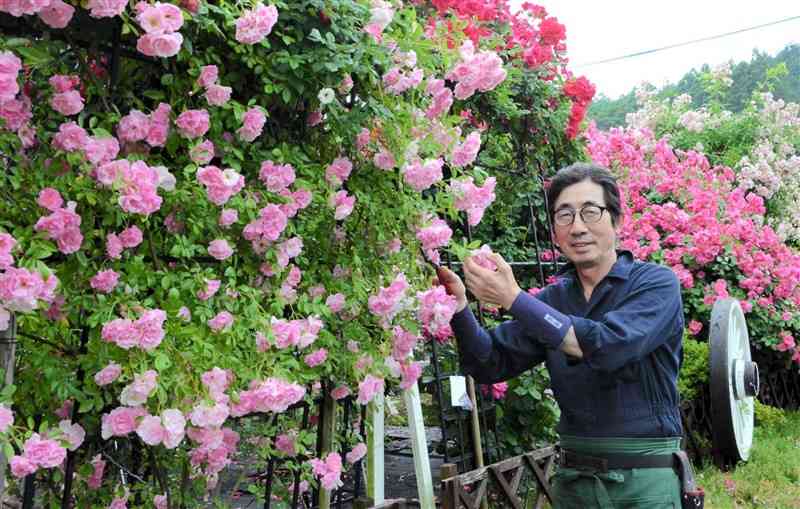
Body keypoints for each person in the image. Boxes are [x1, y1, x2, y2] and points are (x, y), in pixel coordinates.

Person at [437, 163, 688, 508]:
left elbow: (608, 346)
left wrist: (514, 299)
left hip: (644, 481)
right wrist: (459, 308)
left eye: (590, 212)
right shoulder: (555, 300)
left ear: (616, 221)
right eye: (565, 215)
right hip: (574, 483)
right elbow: (489, 362)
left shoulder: (656, 284)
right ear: (554, 232)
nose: (578, 227)